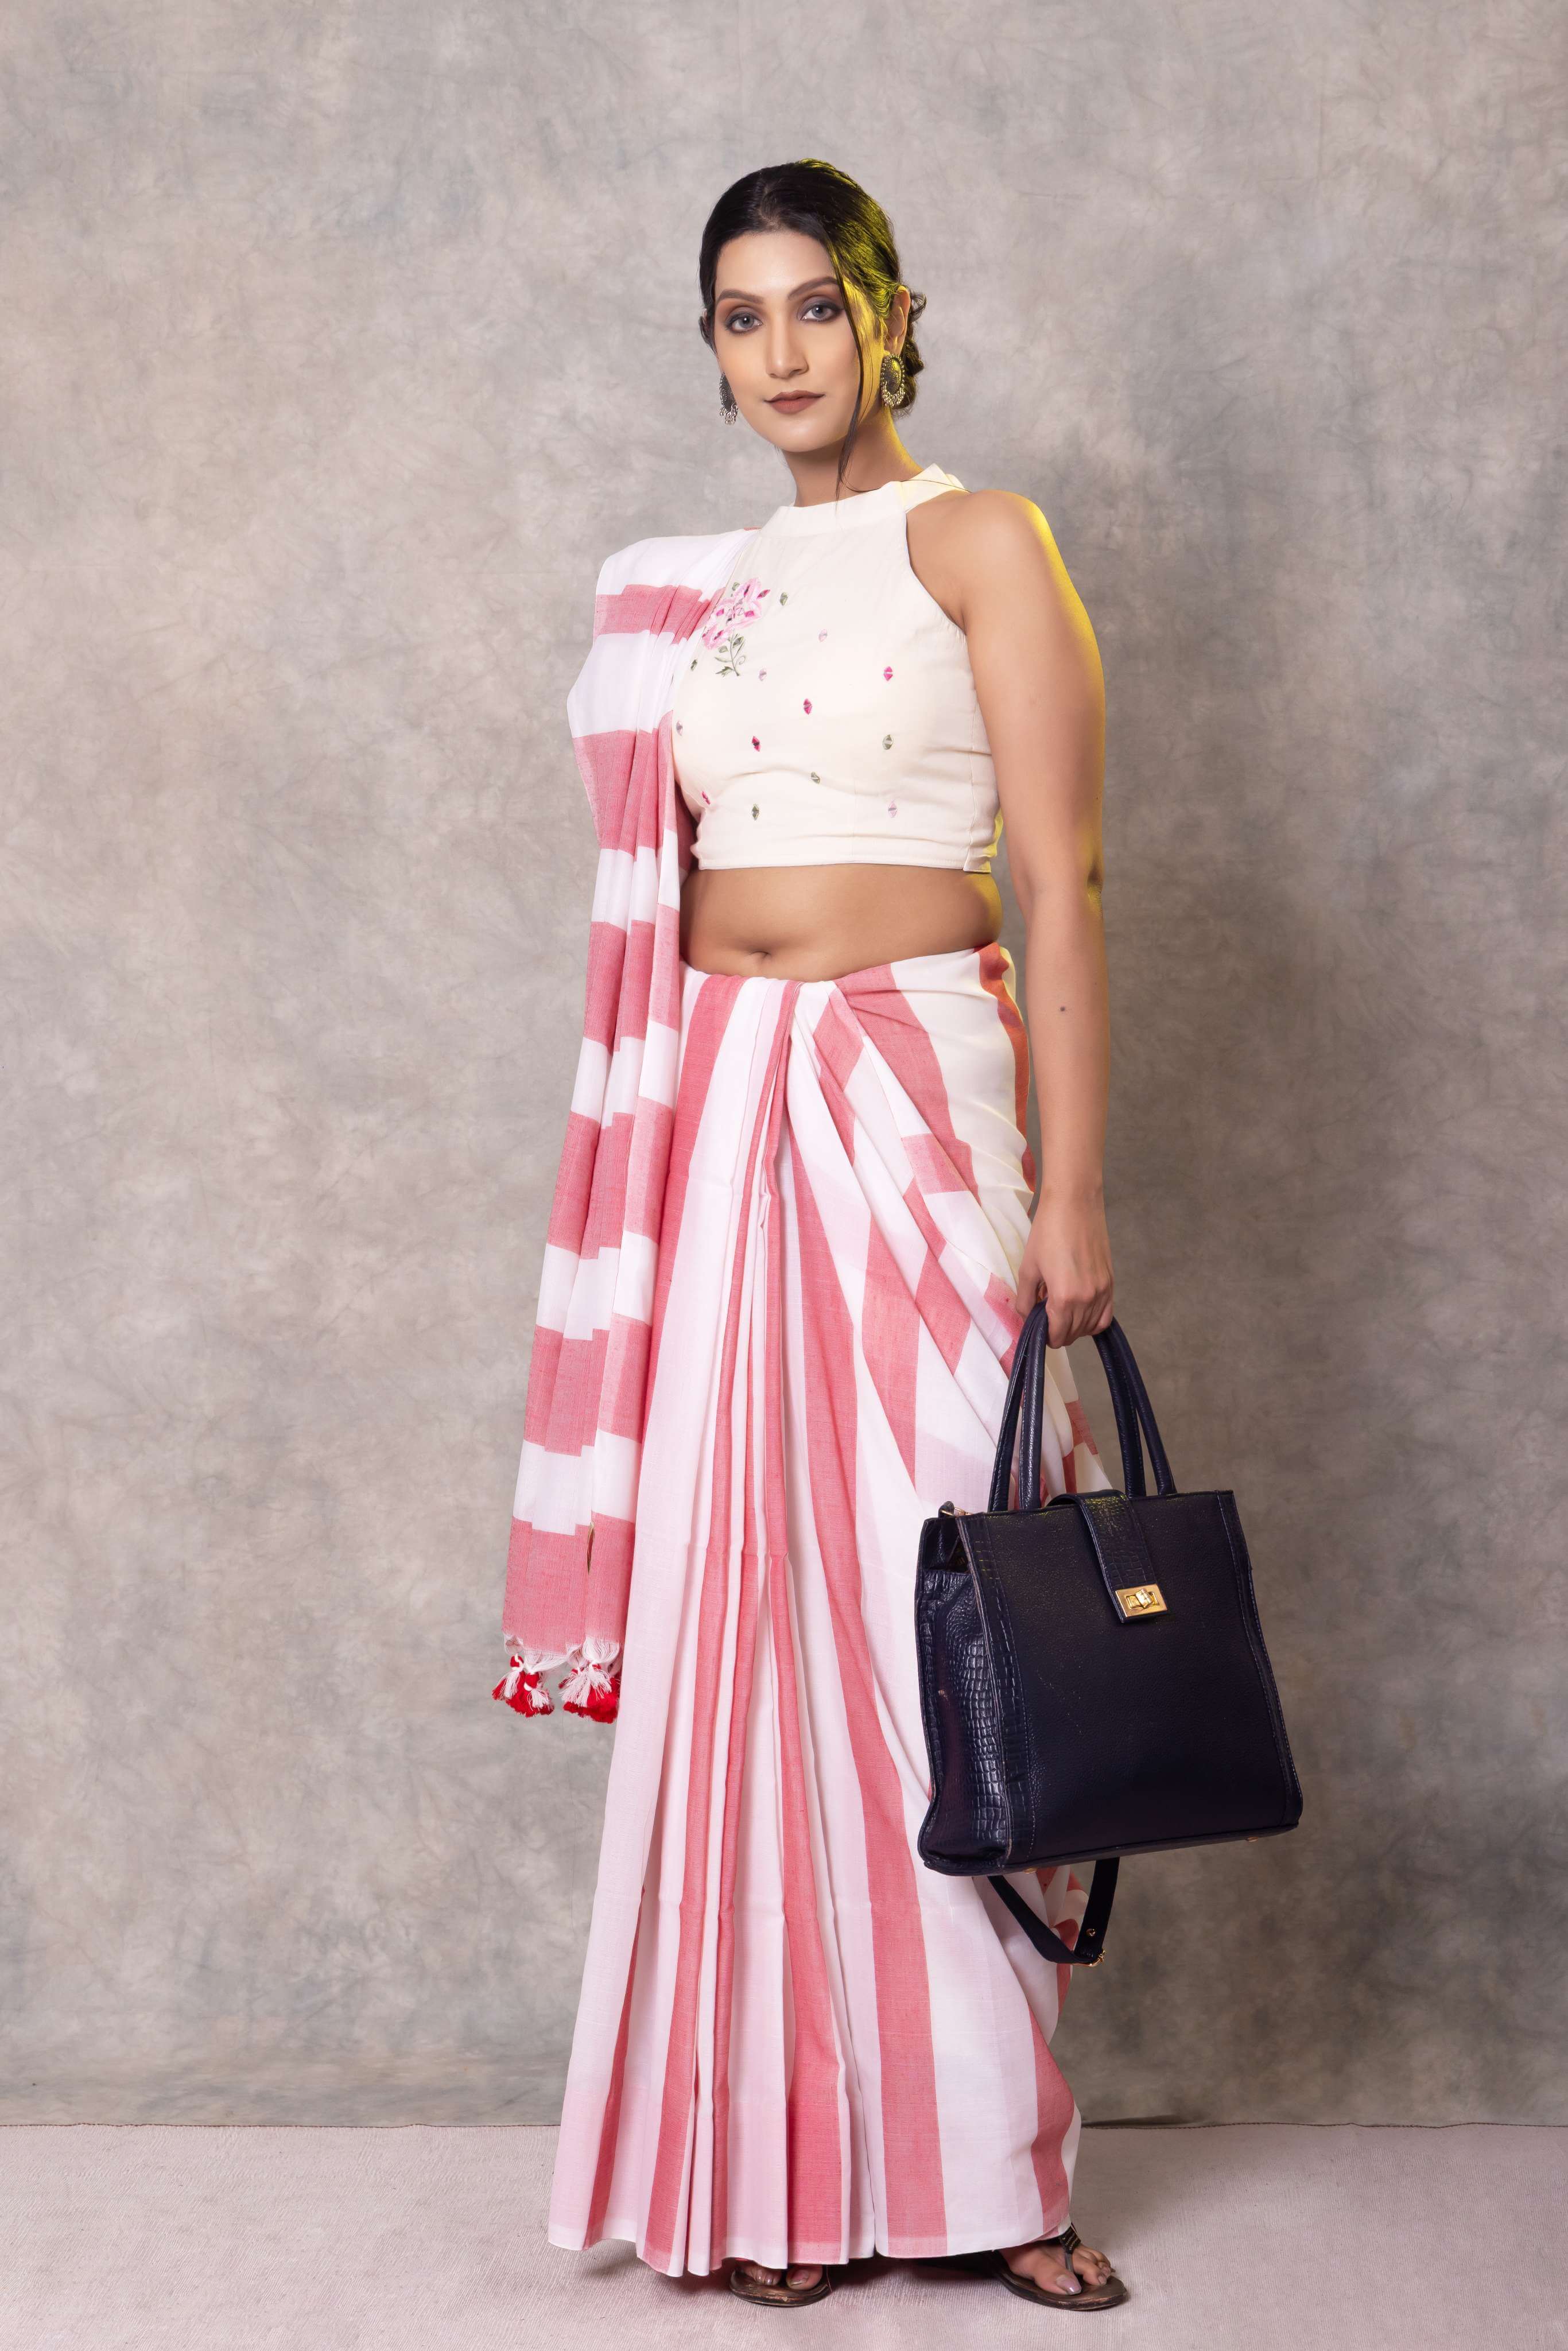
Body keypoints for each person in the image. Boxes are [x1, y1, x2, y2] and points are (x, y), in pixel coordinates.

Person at [498, 158, 1128, 2313]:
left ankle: (999, 2173)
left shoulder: (975, 542)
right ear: (713, 345)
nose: (783, 354)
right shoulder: (689, 587)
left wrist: (1075, 1191)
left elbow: (1058, 889)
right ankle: (782, 2171)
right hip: (726, 1116)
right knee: (746, 1643)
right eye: (740, 318)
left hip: (914, 1102)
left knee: (938, 1620)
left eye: (815, 310)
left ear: (886, 312)